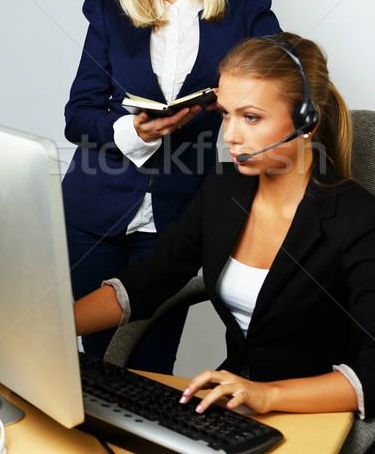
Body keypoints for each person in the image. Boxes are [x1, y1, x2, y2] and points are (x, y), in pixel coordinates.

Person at [74, 32, 375, 429]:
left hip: (321, 413)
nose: (231, 135)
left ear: (307, 120)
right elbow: (147, 283)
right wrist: (45, 326)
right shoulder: (223, 188)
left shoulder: (357, 218)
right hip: (237, 401)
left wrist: (268, 395)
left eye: (250, 117)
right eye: (226, 114)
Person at [62, 0, 281, 368]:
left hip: (179, 217)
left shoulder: (247, 14)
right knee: (94, 364)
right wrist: (131, 132)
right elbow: (78, 116)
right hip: (92, 215)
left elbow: (289, 85)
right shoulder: (110, 16)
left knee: (148, 362)